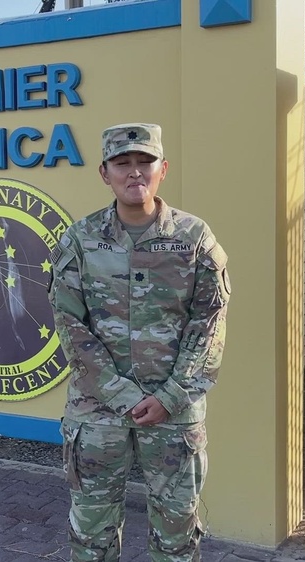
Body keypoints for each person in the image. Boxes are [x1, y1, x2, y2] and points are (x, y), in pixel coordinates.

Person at [47, 122, 232, 561]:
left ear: (162, 169)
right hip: (98, 414)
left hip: (173, 414)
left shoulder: (193, 239)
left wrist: (170, 395)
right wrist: (121, 394)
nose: (134, 172)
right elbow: (70, 324)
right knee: (91, 534)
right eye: (122, 163)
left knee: (176, 536)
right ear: (104, 172)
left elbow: (209, 323)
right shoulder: (80, 239)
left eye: (144, 162)